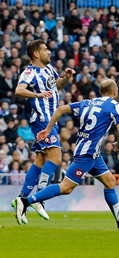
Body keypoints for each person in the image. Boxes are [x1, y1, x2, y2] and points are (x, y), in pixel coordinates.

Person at [12, 80, 119, 231]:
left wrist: (48, 130)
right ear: (115, 91)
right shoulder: (114, 105)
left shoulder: (87, 103)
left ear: (100, 92)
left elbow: (60, 109)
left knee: (110, 182)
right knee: (66, 188)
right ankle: (25, 201)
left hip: (91, 152)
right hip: (87, 153)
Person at [12, 40, 75, 223]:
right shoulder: (29, 72)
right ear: (36, 54)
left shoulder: (49, 69)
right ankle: (39, 198)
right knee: (56, 158)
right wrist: (37, 95)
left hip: (51, 120)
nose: (49, 52)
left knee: (41, 160)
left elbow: (57, 85)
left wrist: (66, 78)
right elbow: (19, 90)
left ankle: (22, 199)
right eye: (45, 49)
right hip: (42, 119)